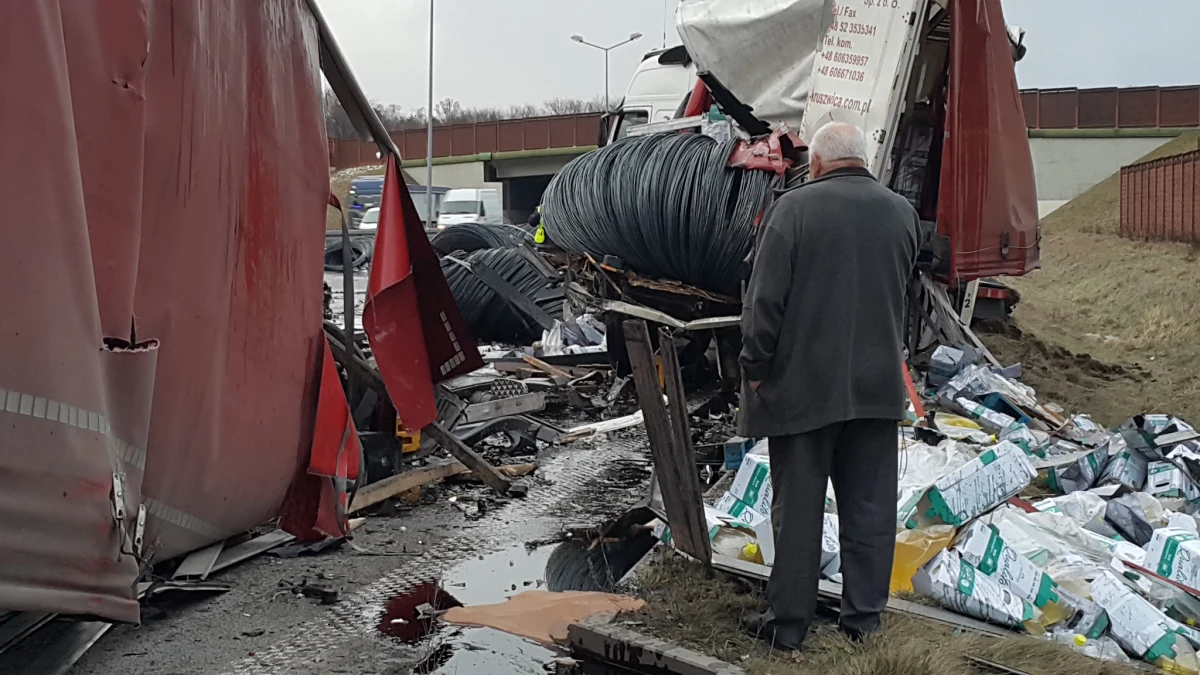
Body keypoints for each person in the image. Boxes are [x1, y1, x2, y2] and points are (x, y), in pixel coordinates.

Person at [737, 122, 919, 651]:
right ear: (863, 159)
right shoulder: (901, 213)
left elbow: (764, 303)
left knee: (798, 510)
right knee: (870, 509)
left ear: (815, 163)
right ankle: (863, 621)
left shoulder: (792, 210)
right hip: (877, 388)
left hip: (803, 388)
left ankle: (788, 624)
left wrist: (755, 366)